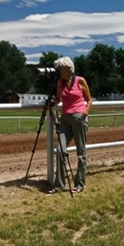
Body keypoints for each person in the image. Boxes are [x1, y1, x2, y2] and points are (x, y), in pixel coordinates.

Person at [48, 56, 92, 194]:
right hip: (65, 119)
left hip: (79, 118)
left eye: (60, 68)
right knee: (60, 151)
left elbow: (89, 99)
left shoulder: (80, 80)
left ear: (67, 68)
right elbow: (59, 98)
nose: (58, 70)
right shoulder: (59, 83)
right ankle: (59, 185)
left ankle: (79, 183)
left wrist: (84, 113)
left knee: (81, 152)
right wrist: (52, 102)